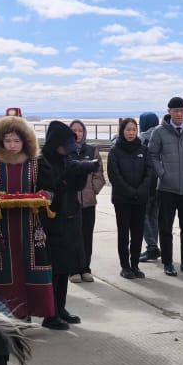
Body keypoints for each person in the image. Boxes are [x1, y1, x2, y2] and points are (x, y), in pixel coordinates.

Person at [0, 112, 55, 322]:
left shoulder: (37, 163)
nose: (12, 145)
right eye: (7, 140)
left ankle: (26, 313)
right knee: (0, 269)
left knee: (28, 268)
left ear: (25, 141)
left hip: (29, 226)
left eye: (16, 141)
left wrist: (44, 197)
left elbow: (50, 189)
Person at [37, 121, 98, 329]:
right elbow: (50, 192)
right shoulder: (42, 162)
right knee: (53, 269)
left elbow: (76, 187)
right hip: (52, 220)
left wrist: (81, 173)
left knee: (64, 267)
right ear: (55, 144)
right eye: (64, 147)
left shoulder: (66, 158)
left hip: (70, 216)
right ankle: (50, 314)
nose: (67, 151)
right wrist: (67, 176)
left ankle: (60, 308)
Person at [150, 96, 183, 277]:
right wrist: (163, 174)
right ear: (169, 112)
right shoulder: (159, 132)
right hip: (167, 188)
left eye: (182, 110)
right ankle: (168, 263)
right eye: (176, 111)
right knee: (166, 228)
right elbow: (152, 155)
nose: (179, 114)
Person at [108, 116, 155, 279]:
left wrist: (141, 190)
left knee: (137, 233)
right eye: (128, 129)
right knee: (123, 234)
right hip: (122, 200)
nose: (131, 133)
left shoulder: (143, 150)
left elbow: (149, 172)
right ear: (122, 131)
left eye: (134, 129)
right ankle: (125, 266)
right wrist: (130, 191)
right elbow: (114, 176)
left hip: (140, 199)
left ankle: (135, 265)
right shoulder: (115, 151)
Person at [68, 119, 105, 283]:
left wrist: (92, 189)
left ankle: (85, 268)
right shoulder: (66, 151)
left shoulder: (91, 150)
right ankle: (73, 270)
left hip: (88, 202)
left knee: (87, 236)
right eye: (74, 130)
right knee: (72, 236)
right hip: (71, 203)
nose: (77, 133)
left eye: (80, 130)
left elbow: (99, 174)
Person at [137, 111, 162, 263]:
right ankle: (154, 245)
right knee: (154, 216)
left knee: (142, 215)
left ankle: (152, 246)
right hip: (159, 182)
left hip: (146, 182)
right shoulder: (162, 136)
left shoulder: (142, 138)